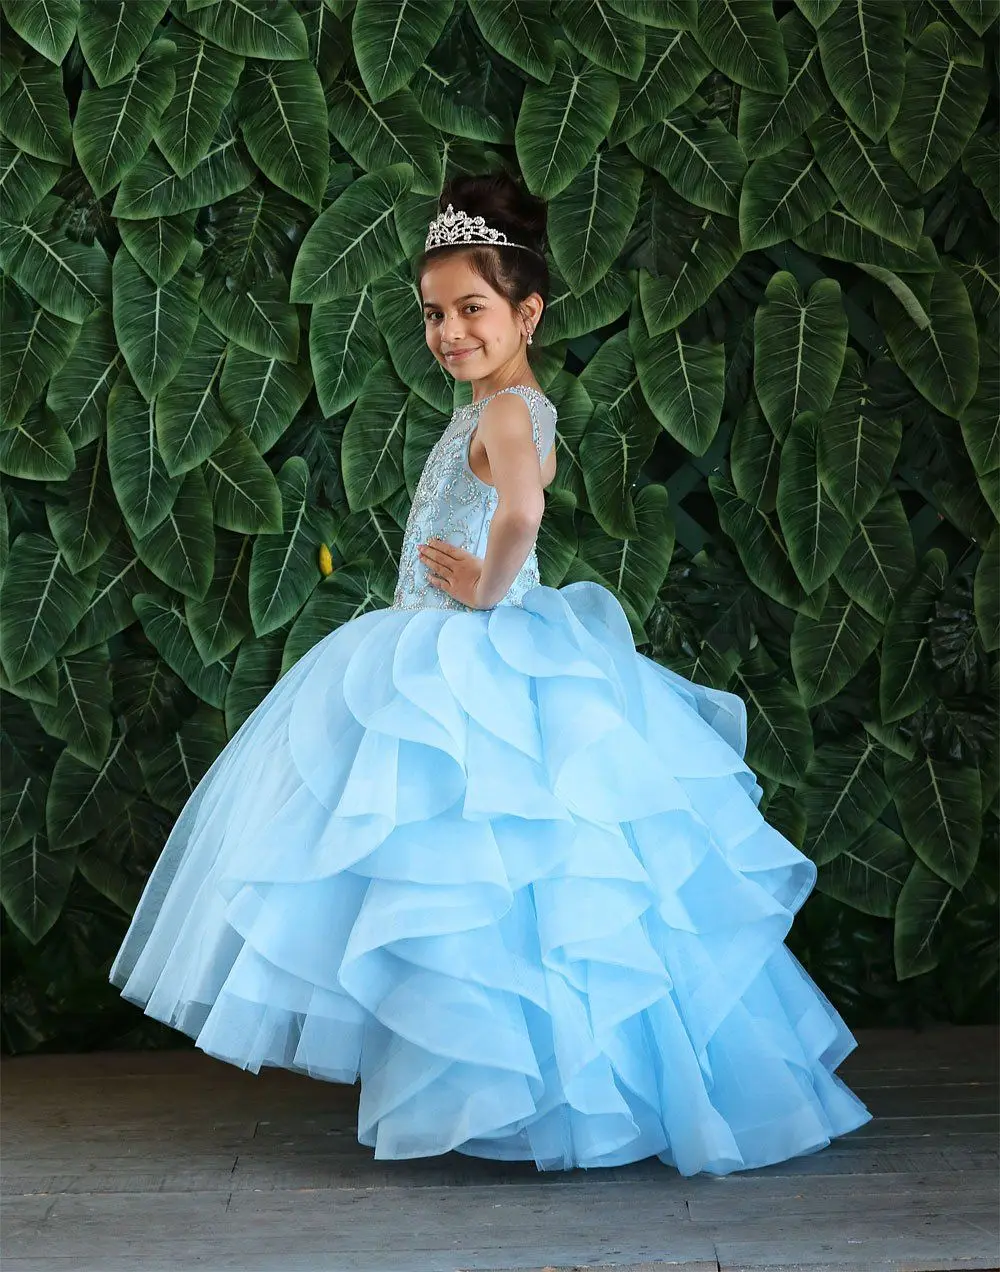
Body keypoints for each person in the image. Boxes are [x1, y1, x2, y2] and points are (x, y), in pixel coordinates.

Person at [109, 170, 873, 1175]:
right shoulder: (491, 408)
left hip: (473, 644)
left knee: (495, 866)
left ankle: (534, 1086)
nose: (448, 331)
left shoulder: (510, 414)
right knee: (496, 876)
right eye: (433, 313)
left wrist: (483, 589)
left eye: (471, 309)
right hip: (449, 646)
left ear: (527, 311)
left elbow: (520, 513)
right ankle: (525, 1085)